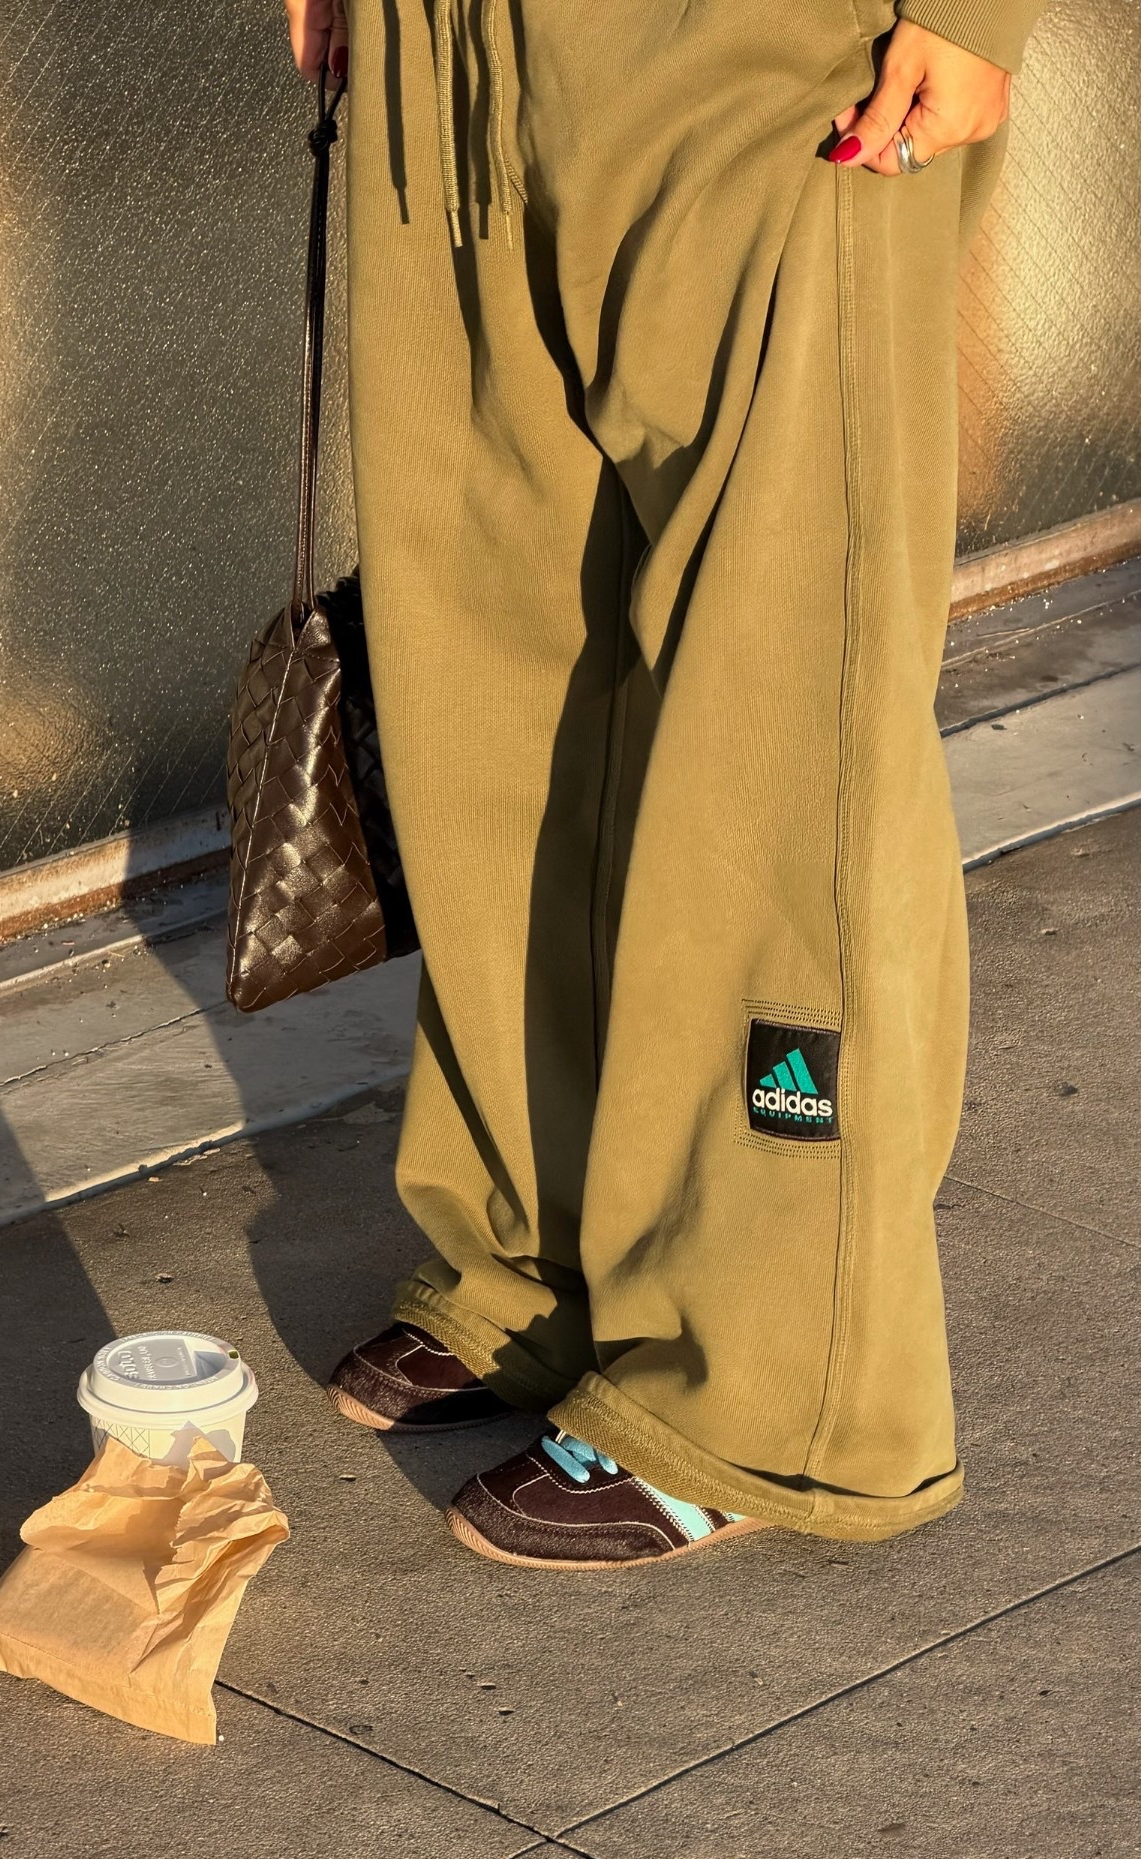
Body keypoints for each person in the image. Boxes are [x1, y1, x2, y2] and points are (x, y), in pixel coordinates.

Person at [286, 0, 1040, 1567]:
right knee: (489, 690)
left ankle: (774, 1376)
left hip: (762, 50)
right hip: (459, 57)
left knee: (777, 722)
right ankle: (550, 1260)